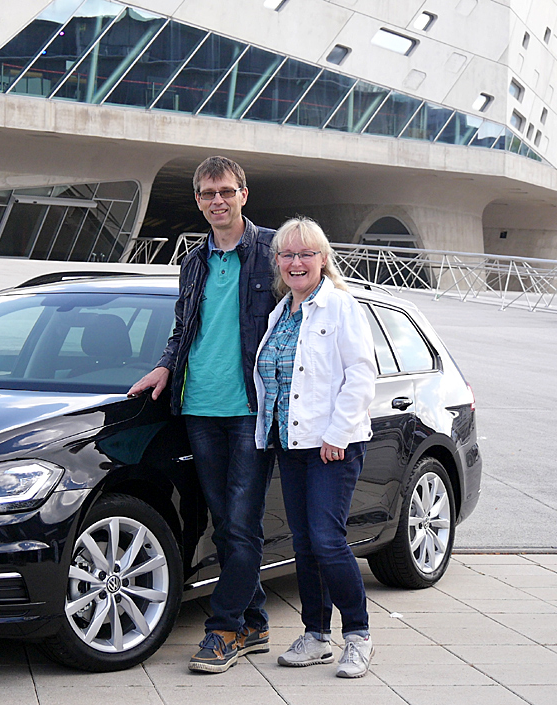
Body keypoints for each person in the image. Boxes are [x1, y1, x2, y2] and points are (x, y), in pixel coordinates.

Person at [128, 156, 278, 673]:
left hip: (252, 410)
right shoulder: (193, 262)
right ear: (198, 200)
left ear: (243, 194)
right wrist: (165, 368)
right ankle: (255, 622)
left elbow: (306, 318)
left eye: (226, 191)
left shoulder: (274, 252)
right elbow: (182, 330)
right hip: (198, 406)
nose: (218, 200)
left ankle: (224, 630)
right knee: (225, 522)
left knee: (242, 522)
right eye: (208, 193)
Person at [253, 216, 378, 678]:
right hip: (290, 442)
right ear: (279, 262)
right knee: (304, 543)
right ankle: (316, 635)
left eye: (306, 253)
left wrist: (336, 435)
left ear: (323, 260)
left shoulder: (341, 307)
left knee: (327, 540)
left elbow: (361, 375)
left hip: (332, 446)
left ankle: (359, 636)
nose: (296, 262)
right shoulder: (280, 312)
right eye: (288, 254)